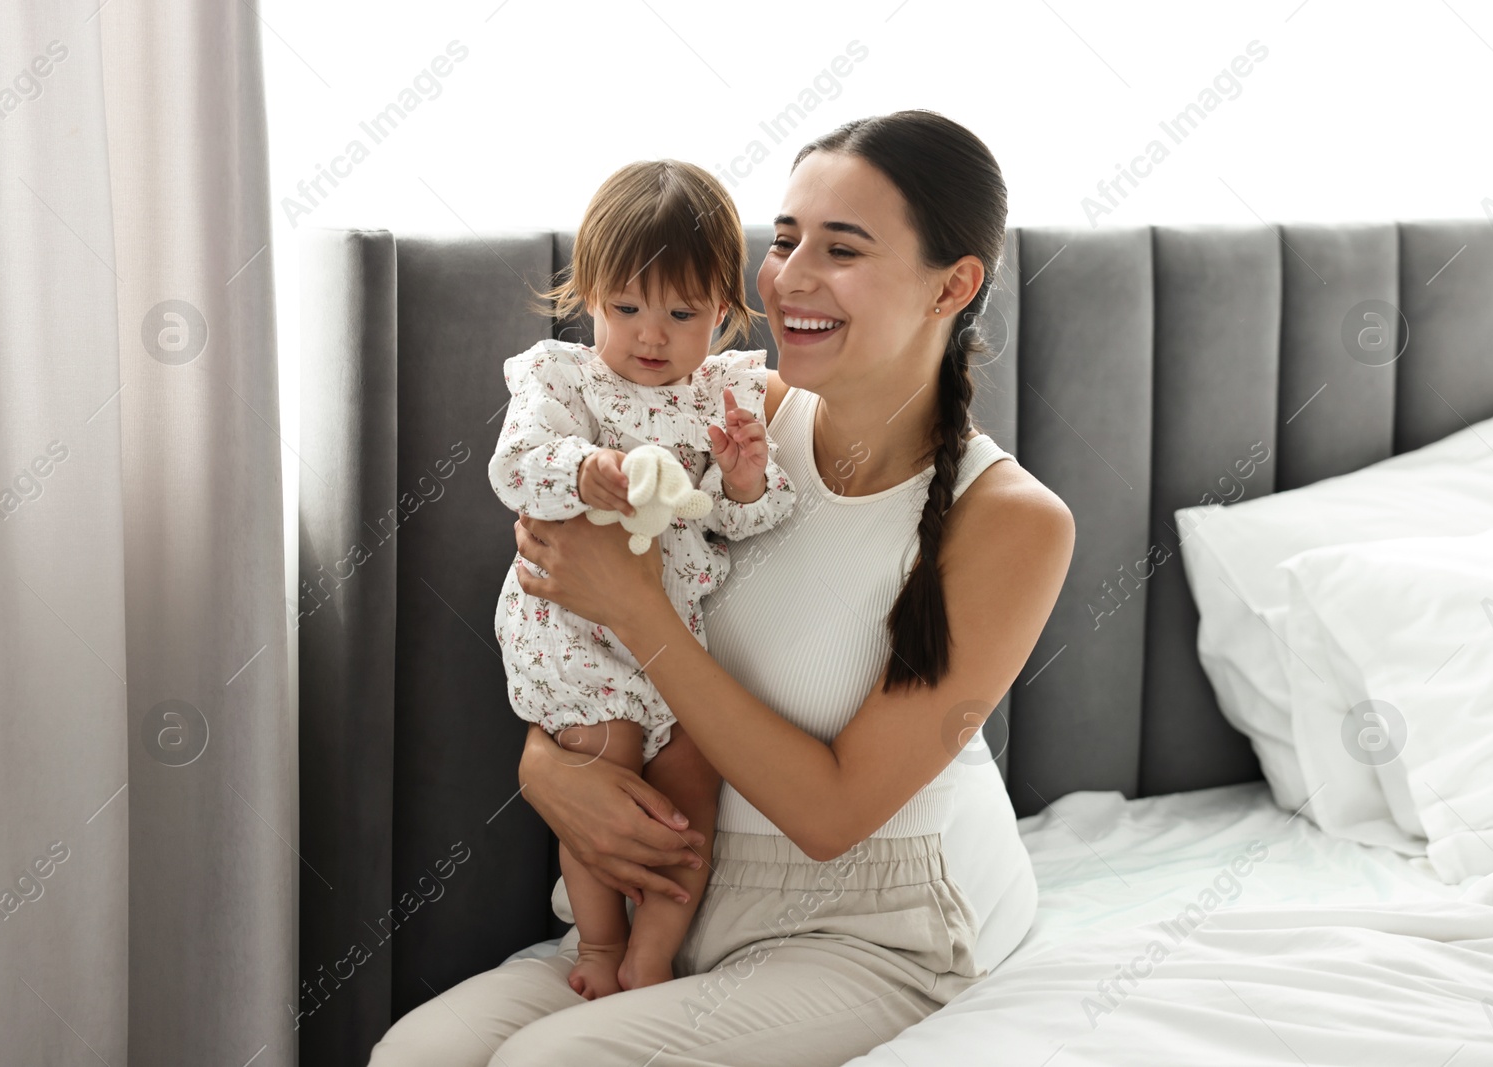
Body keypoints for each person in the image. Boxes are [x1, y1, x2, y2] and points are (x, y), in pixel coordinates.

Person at [367, 109, 1074, 1067]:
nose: (790, 277)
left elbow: (831, 817)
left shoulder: (1011, 521)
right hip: (677, 887)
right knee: (418, 1056)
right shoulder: (717, 410)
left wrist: (638, 608)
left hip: (871, 925)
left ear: (953, 284)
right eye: (784, 242)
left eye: (842, 247)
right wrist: (548, 765)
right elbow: (568, 632)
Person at [487, 159, 797, 1001]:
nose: (650, 335)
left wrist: (741, 476)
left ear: (724, 317)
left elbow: (743, 526)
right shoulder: (564, 381)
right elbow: (513, 468)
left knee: (692, 781)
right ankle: (597, 940)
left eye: (681, 312)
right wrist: (585, 470)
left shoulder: (721, 397)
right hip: (574, 631)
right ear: (588, 296)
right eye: (625, 307)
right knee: (609, 766)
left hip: (668, 632)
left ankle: (653, 954)